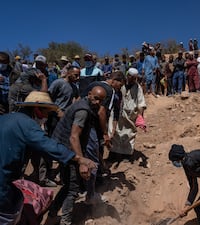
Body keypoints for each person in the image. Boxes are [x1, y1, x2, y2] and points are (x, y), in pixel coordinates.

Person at [0, 91, 96, 225]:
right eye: (46, 112)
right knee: (9, 211)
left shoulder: (6, 118)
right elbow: (48, 146)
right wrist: (79, 159)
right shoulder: (27, 124)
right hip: (3, 182)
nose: (47, 116)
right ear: (37, 109)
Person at [47, 86, 106, 225]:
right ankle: (65, 221)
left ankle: (52, 213)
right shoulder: (83, 111)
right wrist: (82, 162)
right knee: (73, 188)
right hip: (68, 150)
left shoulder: (82, 104)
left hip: (63, 148)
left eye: (101, 100)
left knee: (68, 185)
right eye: (96, 98)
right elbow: (74, 137)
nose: (97, 102)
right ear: (89, 94)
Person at [108, 68, 146, 161]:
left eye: (134, 78)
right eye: (131, 77)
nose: (132, 79)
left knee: (129, 134)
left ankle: (127, 155)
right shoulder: (120, 85)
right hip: (118, 113)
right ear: (127, 75)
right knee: (115, 132)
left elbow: (141, 103)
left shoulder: (138, 87)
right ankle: (113, 153)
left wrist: (140, 116)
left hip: (130, 115)